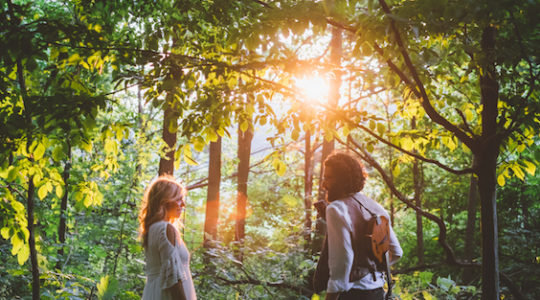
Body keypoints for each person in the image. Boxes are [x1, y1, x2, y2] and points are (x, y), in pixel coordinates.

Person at [315, 152, 402, 300]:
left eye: (328, 178)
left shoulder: (336, 209)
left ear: (342, 179)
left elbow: (343, 261)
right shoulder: (374, 207)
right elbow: (396, 252)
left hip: (352, 294)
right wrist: (372, 269)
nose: (324, 184)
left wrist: (331, 297)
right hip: (377, 292)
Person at [139, 175, 197, 300]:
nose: (183, 204)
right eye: (179, 199)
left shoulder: (151, 228)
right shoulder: (166, 228)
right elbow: (174, 278)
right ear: (165, 201)